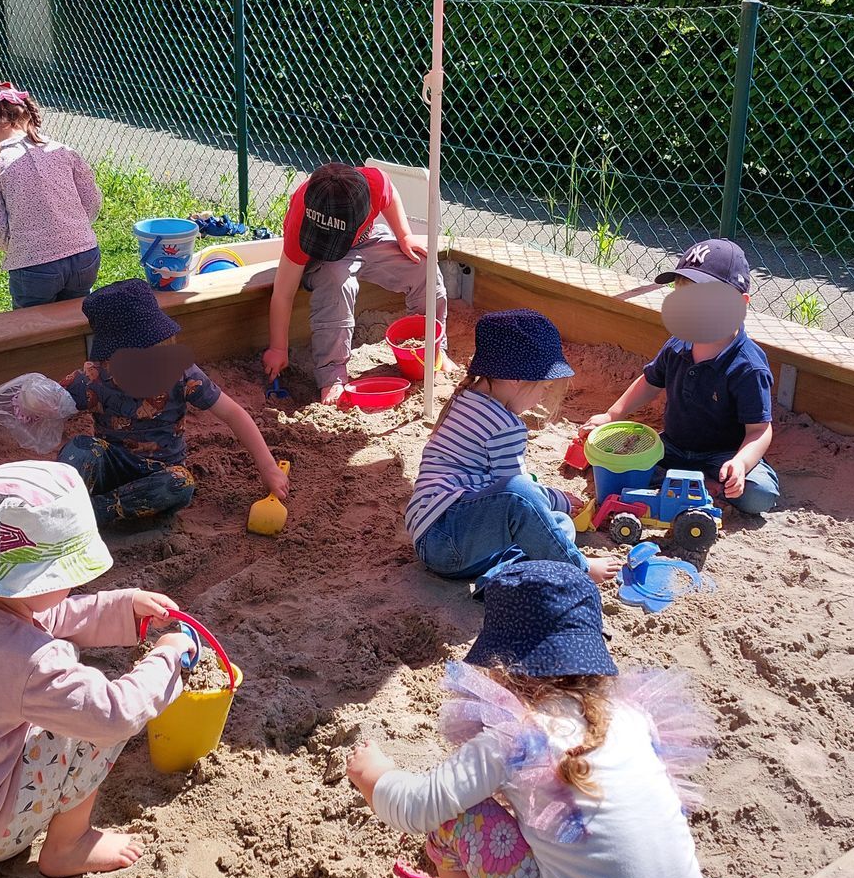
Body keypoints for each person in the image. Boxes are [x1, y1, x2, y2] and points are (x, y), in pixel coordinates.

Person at [347, 561, 714, 878]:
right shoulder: (632, 720)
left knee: (456, 823)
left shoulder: (515, 736)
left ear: (501, 664)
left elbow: (418, 807)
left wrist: (374, 774)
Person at [0, 461, 198, 875]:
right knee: (91, 718)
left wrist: (127, 605)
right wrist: (169, 656)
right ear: (40, 579)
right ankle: (68, 846)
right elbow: (113, 715)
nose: (74, 585)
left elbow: (55, 616)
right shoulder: (32, 660)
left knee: (67, 693)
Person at [406, 310, 620, 585]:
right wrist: (560, 499)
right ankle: (577, 567)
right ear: (516, 379)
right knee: (538, 510)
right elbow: (518, 493)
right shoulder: (504, 424)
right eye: (543, 386)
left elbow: (502, 491)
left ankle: (499, 575)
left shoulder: (465, 398)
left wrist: (553, 504)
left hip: (437, 537)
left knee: (559, 525)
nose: (543, 395)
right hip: (448, 538)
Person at [60, 279, 288, 526]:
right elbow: (49, 400)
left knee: (180, 483)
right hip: (112, 467)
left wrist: (267, 467)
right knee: (80, 447)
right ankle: (60, 502)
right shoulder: (93, 377)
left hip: (160, 473)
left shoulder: (181, 373)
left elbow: (232, 413)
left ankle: (93, 512)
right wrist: (32, 403)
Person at [589, 239, 780, 515]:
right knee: (618, 462)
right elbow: (649, 382)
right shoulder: (678, 344)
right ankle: (694, 485)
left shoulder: (747, 367)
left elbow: (759, 430)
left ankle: (706, 482)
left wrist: (740, 464)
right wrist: (612, 414)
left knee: (760, 494)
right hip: (673, 447)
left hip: (721, 456)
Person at [261, 163, 451, 404]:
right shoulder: (302, 221)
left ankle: (432, 351)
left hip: (366, 241)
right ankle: (332, 376)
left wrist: (404, 236)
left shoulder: (373, 183)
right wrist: (278, 348)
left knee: (421, 264)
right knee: (337, 281)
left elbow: (390, 195)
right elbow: (283, 293)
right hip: (320, 257)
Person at [0, 81, 104, 309]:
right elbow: (91, 200)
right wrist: (75, 228)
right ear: (26, 114)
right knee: (77, 315)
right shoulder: (63, 151)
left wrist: (20, 244)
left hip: (33, 268)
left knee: (33, 328)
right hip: (85, 256)